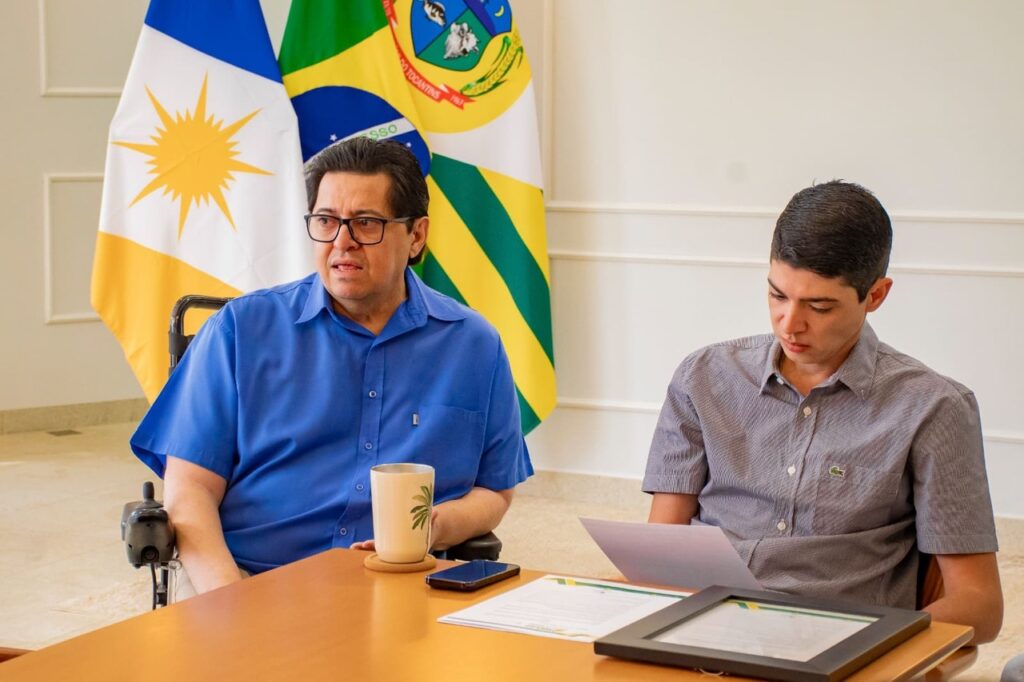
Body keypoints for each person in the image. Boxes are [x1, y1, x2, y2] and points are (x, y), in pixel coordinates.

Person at [131, 138, 532, 596]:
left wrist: (435, 526)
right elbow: (189, 491)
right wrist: (231, 602)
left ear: (416, 235)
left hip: (401, 584)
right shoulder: (239, 331)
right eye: (326, 221)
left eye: (366, 223)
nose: (342, 242)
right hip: (247, 580)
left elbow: (494, 491)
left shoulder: (474, 345)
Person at [643, 181, 1003, 643]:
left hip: (837, 644)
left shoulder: (933, 407)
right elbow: (659, 553)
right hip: (701, 626)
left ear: (876, 295)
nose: (790, 324)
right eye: (777, 295)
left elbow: (980, 605)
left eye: (819, 306)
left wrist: (875, 650)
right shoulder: (704, 377)